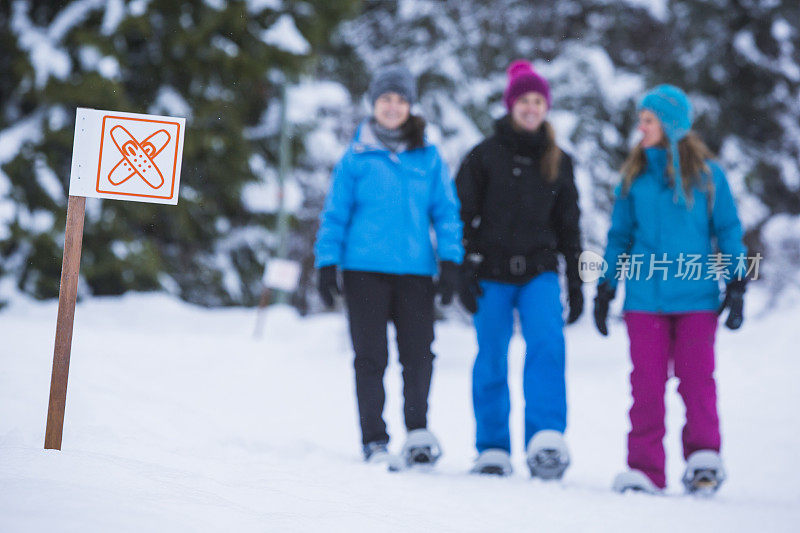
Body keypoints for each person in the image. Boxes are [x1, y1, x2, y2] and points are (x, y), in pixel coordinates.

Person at [593, 84, 747, 495]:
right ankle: (644, 469)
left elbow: (728, 230)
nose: (640, 127)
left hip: (697, 300)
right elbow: (619, 236)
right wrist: (606, 285)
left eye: (649, 120)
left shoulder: (709, 176)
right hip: (645, 300)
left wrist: (736, 282)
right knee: (645, 386)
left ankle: (703, 461)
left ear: (671, 124)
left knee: (697, 383)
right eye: (641, 119)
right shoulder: (634, 177)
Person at [314, 65, 463, 466]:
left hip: (416, 272)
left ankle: (417, 433)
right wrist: (327, 262)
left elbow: (446, 213)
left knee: (418, 356)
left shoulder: (429, 157)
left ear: (410, 106)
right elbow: (335, 214)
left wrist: (451, 261)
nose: (393, 107)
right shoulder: (356, 157)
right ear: (373, 104)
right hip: (364, 272)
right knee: (371, 356)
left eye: (400, 100)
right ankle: (375, 440)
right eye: (385, 100)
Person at [455, 60, 583, 478]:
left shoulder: (558, 160)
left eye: (538, 101)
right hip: (490, 272)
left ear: (546, 107)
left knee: (547, 347)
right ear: (511, 105)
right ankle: (492, 446)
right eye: (524, 100)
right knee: (490, 354)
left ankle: (545, 439)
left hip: (539, 272)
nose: (531, 108)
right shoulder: (483, 156)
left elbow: (570, 226)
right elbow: (460, 216)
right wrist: (463, 267)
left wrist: (577, 281)